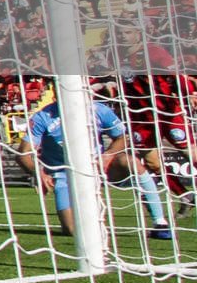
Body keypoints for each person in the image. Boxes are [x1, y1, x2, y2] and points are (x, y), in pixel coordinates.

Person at [21, 96, 170, 240]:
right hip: (64, 174)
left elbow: (123, 137)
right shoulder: (42, 117)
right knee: (72, 230)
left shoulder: (99, 109)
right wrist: (38, 171)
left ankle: (160, 223)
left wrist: (109, 154)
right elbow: (23, 154)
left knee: (130, 161)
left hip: (97, 167)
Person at [121, 55, 197, 217]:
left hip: (169, 114)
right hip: (141, 118)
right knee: (153, 163)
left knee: (192, 156)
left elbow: (178, 76)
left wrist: (191, 93)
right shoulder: (114, 57)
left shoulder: (154, 52)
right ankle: (186, 197)